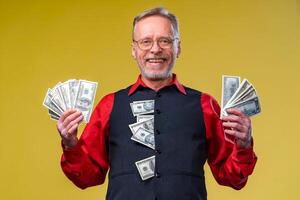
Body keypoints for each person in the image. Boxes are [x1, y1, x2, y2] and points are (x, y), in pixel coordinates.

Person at [57, 7, 257, 200]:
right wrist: (70, 144)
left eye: (165, 41)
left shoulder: (205, 105)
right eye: (145, 42)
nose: (155, 49)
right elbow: (87, 178)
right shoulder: (109, 105)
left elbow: (232, 178)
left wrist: (244, 144)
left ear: (178, 48)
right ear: (134, 50)